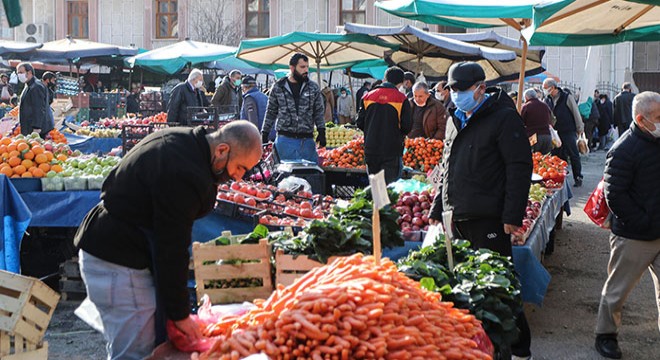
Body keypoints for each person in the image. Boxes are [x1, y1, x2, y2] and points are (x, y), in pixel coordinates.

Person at [74, 121, 263, 359]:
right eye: (240, 168)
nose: (237, 177)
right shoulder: (184, 173)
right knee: (135, 352)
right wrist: (180, 315)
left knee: (139, 345)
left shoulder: (187, 143)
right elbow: (171, 248)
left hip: (114, 247)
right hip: (118, 258)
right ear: (222, 150)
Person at [428, 61, 533, 360]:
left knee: (499, 286)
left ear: (480, 89)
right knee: (467, 286)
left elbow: (519, 167)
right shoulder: (453, 118)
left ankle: (519, 349)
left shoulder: (504, 118)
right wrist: (438, 206)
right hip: (456, 216)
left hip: (489, 217)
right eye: (452, 89)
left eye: (462, 90)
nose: (455, 95)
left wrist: (513, 216)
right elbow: (447, 166)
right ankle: (478, 347)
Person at [594, 91, 660, 360]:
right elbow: (615, 195)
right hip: (634, 236)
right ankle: (605, 336)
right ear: (641, 119)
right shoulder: (623, 148)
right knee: (617, 291)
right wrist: (642, 221)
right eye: (658, 117)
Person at [261, 53, 325, 163]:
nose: (306, 70)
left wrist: (321, 131)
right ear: (292, 68)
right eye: (302, 67)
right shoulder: (278, 87)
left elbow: (318, 111)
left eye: (307, 66)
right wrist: (265, 133)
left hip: (307, 141)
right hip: (285, 140)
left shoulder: (313, 88)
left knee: (308, 175)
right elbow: (271, 112)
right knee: (283, 176)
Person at [356, 66, 412, 184]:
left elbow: (360, 123)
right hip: (392, 151)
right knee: (390, 189)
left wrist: (372, 129)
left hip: (371, 150)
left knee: (376, 189)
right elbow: (407, 127)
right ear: (401, 82)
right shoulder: (401, 99)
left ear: (384, 79)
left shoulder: (367, 97)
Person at [542, 78, 585, 187]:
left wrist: (580, 128)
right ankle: (559, 178)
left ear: (553, 87)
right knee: (557, 156)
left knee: (573, 154)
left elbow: (576, 112)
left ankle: (578, 177)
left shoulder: (566, 97)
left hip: (568, 130)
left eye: (546, 88)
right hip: (555, 132)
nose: (544, 90)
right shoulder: (547, 99)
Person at [16, 62, 51, 138]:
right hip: (28, 127)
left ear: (29, 72)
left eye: (21, 72)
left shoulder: (36, 87)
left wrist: (37, 127)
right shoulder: (29, 85)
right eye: (18, 73)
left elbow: (39, 108)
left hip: (34, 130)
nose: (19, 75)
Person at [521, 88, 553, 154]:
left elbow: (521, 122)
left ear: (526, 97)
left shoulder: (526, 106)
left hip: (533, 136)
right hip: (547, 136)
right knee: (546, 160)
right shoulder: (545, 105)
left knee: (534, 158)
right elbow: (551, 119)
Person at [240, 76, 273, 141]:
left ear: (244, 87)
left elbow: (252, 120)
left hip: (258, 136)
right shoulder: (264, 96)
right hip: (269, 133)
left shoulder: (249, 98)